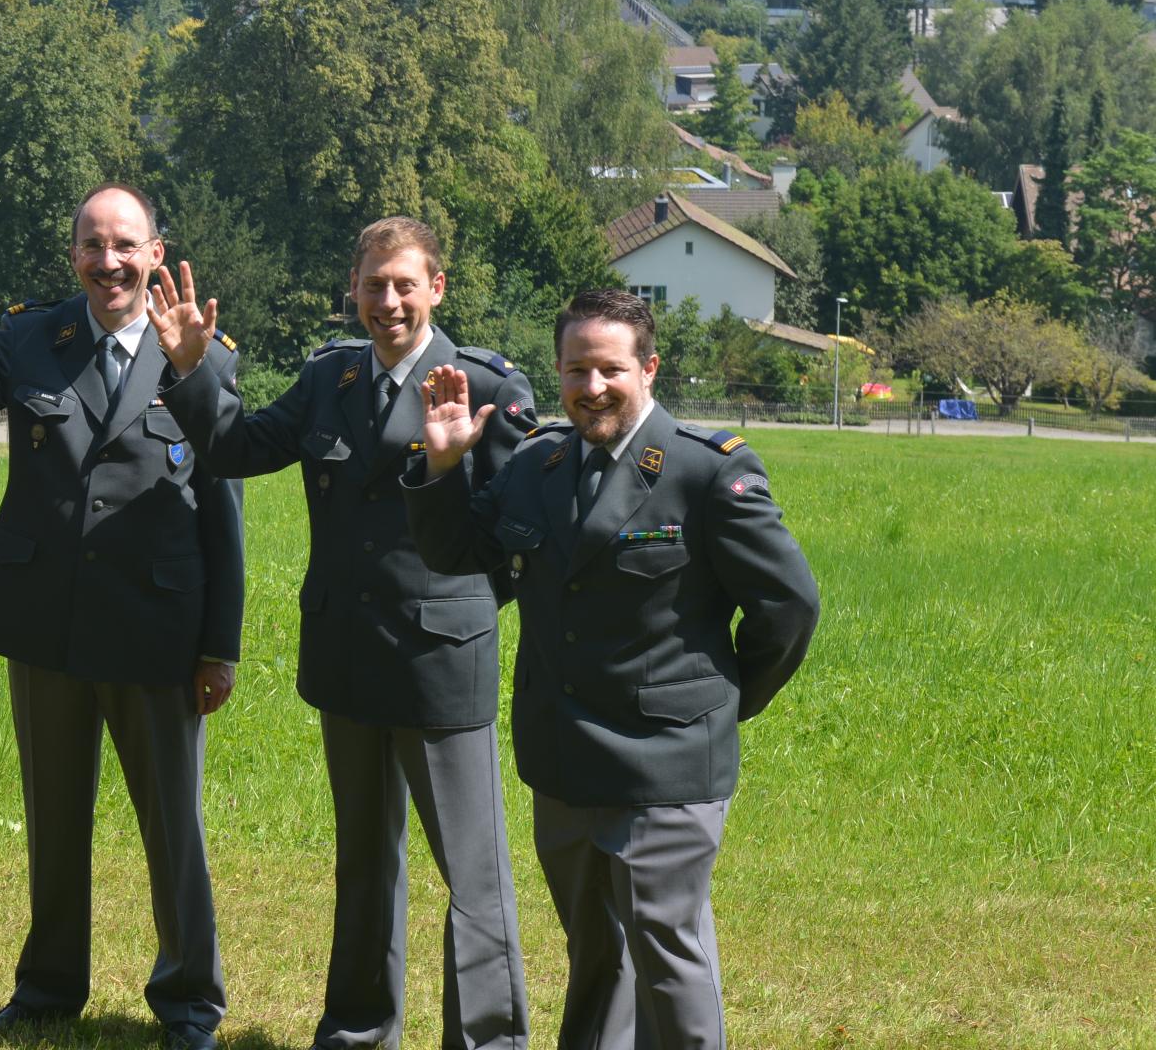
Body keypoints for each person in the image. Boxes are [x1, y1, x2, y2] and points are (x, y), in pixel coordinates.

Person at [150, 218, 536, 1050]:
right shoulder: (329, 377)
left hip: (441, 666)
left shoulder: (486, 385)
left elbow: (518, 536)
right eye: (373, 285)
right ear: (352, 290)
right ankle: (359, 1030)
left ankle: (493, 1040)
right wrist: (190, 367)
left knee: (474, 877)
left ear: (438, 287)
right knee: (364, 865)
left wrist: (465, 612)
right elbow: (234, 448)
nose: (388, 301)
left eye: (405, 284)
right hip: (347, 660)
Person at [405, 289, 820, 1050]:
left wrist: (719, 705)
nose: (590, 388)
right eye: (575, 370)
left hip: (667, 762)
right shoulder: (540, 464)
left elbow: (788, 608)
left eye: (609, 369)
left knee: (666, 952)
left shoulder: (706, 473)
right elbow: (458, 555)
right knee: (594, 953)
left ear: (649, 369)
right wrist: (442, 465)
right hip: (565, 758)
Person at [0, 188, 243, 1049]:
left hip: (158, 631)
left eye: (125, 244)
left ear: (156, 252)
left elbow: (222, 510)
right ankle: (47, 991)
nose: (108, 261)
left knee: (173, 831)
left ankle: (190, 1002)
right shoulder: (30, 337)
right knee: (52, 819)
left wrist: (219, 647)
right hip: (46, 625)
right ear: (72, 253)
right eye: (92, 244)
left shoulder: (198, 352)